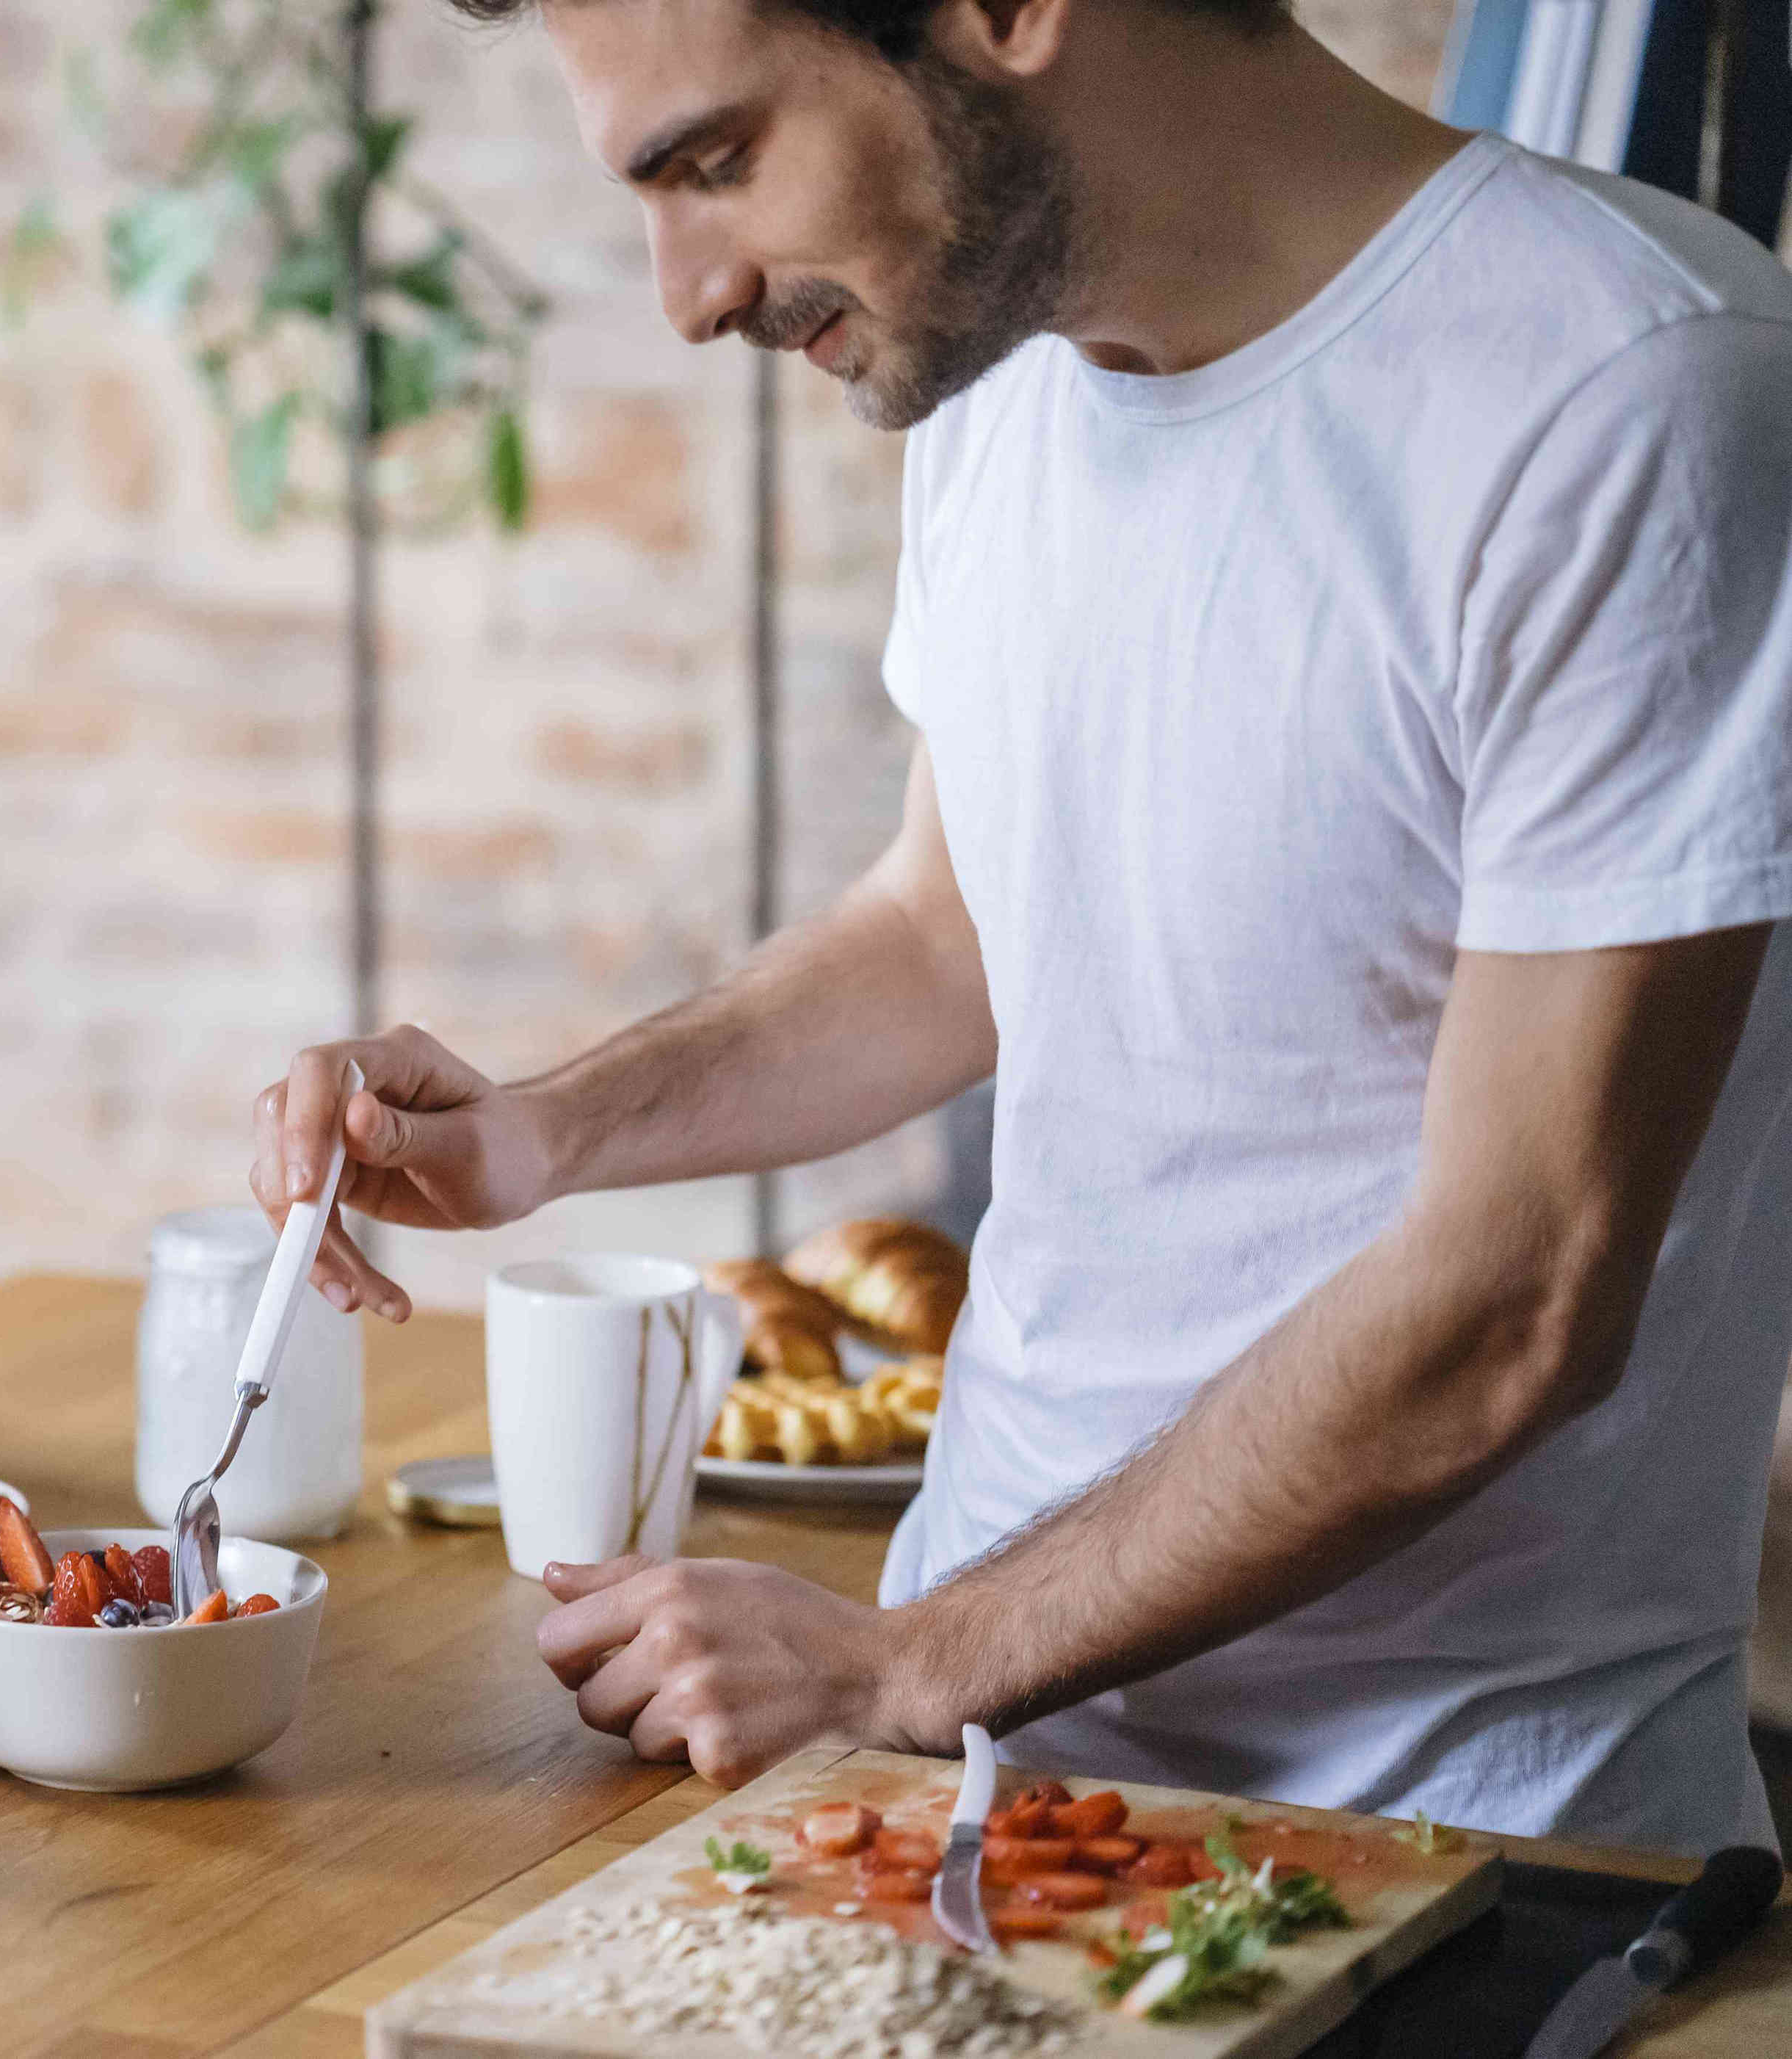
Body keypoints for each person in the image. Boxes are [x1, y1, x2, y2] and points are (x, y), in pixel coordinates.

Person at [255, 0, 1792, 1853]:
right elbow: (950, 932)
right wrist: (545, 1127)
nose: (684, 291)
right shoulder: (1000, 379)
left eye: (717, 162)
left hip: (1457, 1860)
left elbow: (1518, 1294)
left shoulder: (1635, 392)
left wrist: (912, 1660)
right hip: (981, 1790)